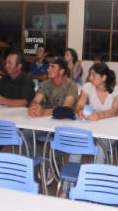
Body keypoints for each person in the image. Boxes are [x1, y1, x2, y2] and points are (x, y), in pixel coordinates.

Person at [61, 63, 118, 197]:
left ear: (104, 77)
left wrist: (100, 115)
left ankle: (92, 186)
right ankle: (66, 187)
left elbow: (114, 111)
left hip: (109, 132)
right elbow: (79, 105)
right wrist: (80, 112)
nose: (90, 78)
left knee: (100, 147)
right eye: (90, 74)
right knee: (77, 145)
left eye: (94, 75)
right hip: (90, 129)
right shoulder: (88, 87)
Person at [24, 56, 78, 184]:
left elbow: (65, 108)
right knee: (25, 134)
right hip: (47, 120)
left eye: (52, 67)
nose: (48, 69)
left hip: (67, 122)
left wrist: (43, 112)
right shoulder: (45, 84)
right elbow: (35, 100)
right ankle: (48, 163)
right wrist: (34, 107)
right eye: (48, 66)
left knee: (61, 139)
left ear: (61, 71)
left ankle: (47, 164)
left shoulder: (71, 85)